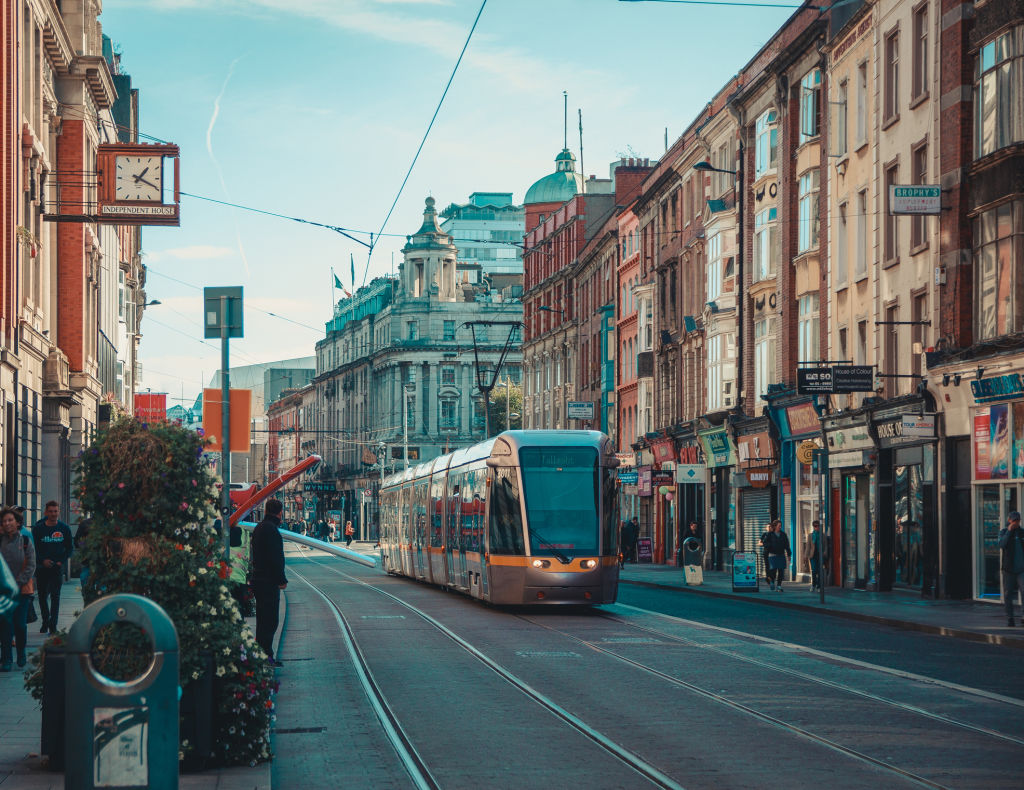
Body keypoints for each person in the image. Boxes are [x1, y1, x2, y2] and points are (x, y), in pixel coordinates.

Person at [252, 498, 287, 667]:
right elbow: (275, 557)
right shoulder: (271, 530)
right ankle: (265, 655)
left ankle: (264, 654)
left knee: (263, 619)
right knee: (270, 620)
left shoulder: (259, 527)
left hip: (259, 579)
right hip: (268, 581)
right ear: (280, 512)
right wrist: (281, 579)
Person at [1, 507, 36, 670]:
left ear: (17, 522)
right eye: (4, 521)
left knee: (20, 625)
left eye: (10, 520)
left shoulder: (26, 541)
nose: (7, 523)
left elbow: (31, 565)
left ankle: (21, 653)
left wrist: (18, 582)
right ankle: (7, 659)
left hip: (22, 590)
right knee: (5, 625)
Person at [32, 500, 73, 635]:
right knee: (43, 597)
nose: (53, 514)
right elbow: (34, 549)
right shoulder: (38, 529)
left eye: (55, 511)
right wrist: (42, 560)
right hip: (42, 568)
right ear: (46, 512)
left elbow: (69, 549)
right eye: (50, 511)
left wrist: (61, 561)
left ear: (59, 512)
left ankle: (53, 625)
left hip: (56, 568)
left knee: (56, 597)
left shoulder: (64, 528)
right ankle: (45, 621)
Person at [998, 510, 1024, 627]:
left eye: (1017, 521)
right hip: (1008, 569)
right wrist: (1009, 531)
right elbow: (1001, 545)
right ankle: (1010, 618)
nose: (1016, 523)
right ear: (1009, 520)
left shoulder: (1022, 533)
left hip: (1022, 569)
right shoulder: (1003, 532)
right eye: (1014, 520)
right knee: (1008, 595)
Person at [764, 519, 791, 592]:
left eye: (781, 526)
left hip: (781, 555)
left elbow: (787, 545)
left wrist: (789, 554)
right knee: (773, 570)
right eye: (779, 526)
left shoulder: (783, 534)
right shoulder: (770, 534)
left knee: (781, 571)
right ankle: (772, 581)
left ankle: (779, 586)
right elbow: (765, 543)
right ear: (775, 526)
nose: (780, 527)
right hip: (772, 555)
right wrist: (770, 546)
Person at [805, 519, 825, 592]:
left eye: (818, 526)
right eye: (815, 526)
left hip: (820, 555)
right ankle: (813, 585)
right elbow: (808, 546)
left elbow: (825, 546)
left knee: (820, 571)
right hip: (812, 555)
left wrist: (824, 554)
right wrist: (806, 556)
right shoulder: (810, 535)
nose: (817, 528)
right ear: (813, 527)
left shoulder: (822, 535)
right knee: (814, 571)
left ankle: (819, 586)